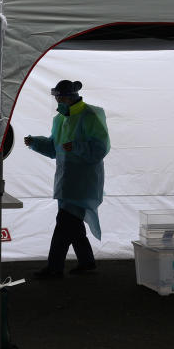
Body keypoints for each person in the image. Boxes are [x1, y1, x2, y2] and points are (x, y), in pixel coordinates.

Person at [24, 80, 110, 278]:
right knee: (72, 223)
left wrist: (78, 147)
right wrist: (36, 143)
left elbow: (100, 148)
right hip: (67, 180)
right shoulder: (60, 119)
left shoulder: (90, 115)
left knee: (64, 223)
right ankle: (87, 262)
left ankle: (54, 268)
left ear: (70, 96)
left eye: (59, 96)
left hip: (84, 182)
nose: (57, 100)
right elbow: (55, 148)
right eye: (56, 96)